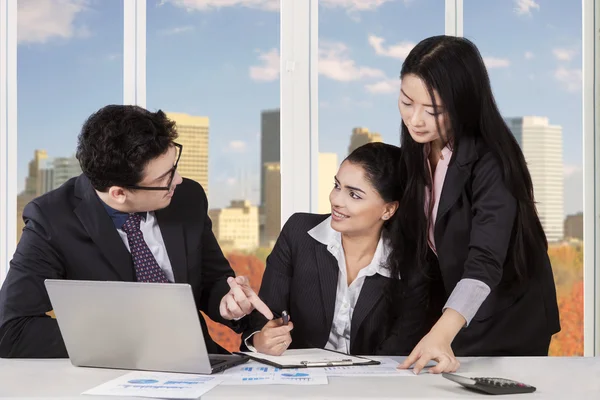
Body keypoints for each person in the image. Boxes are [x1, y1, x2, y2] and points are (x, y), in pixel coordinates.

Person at [0, 105, 272, 358]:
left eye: (174, 167)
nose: (177, 180)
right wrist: (126, 340)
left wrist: (227, 302)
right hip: (110, 376)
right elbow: (11, 329)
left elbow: (212, 280)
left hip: (201, 363)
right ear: (118, 193)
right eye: (164, 179)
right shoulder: (51, 220)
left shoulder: (187, 197)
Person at [394, 35, 561, 374]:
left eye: (433, 110)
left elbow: (484, 260)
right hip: (459, 310)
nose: (415, 119)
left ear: (463, 104)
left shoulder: (492, 160)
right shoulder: (419, 146)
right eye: (406, 102)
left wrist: (442, 332)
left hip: (510, 315)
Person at [242, 142, 430, 356]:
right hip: (299, 379)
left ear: (388, 210)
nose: (336, 200)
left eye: (354, 195)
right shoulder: (299, 233)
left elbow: (400, 349)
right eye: (337, 186)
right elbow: (267, 312)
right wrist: (260, 339)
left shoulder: (411, 264)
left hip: (372, 384)